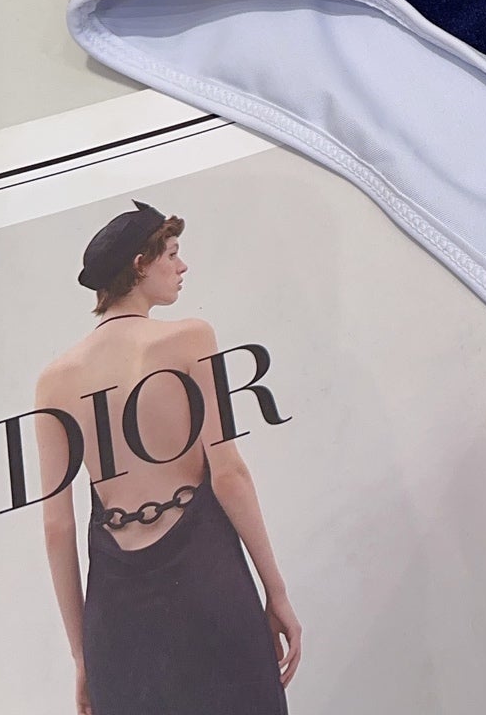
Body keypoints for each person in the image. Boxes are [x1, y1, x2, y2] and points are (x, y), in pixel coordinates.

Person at [35, 200, 301, 714]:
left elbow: (56, 527)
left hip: (116, 610)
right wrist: (277, 592)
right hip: (206, 576)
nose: (182, 266)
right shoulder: (189, 339)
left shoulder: (54, 381)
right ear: (140, 265)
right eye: (172, 254)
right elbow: (229, 474)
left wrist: (83, 656)